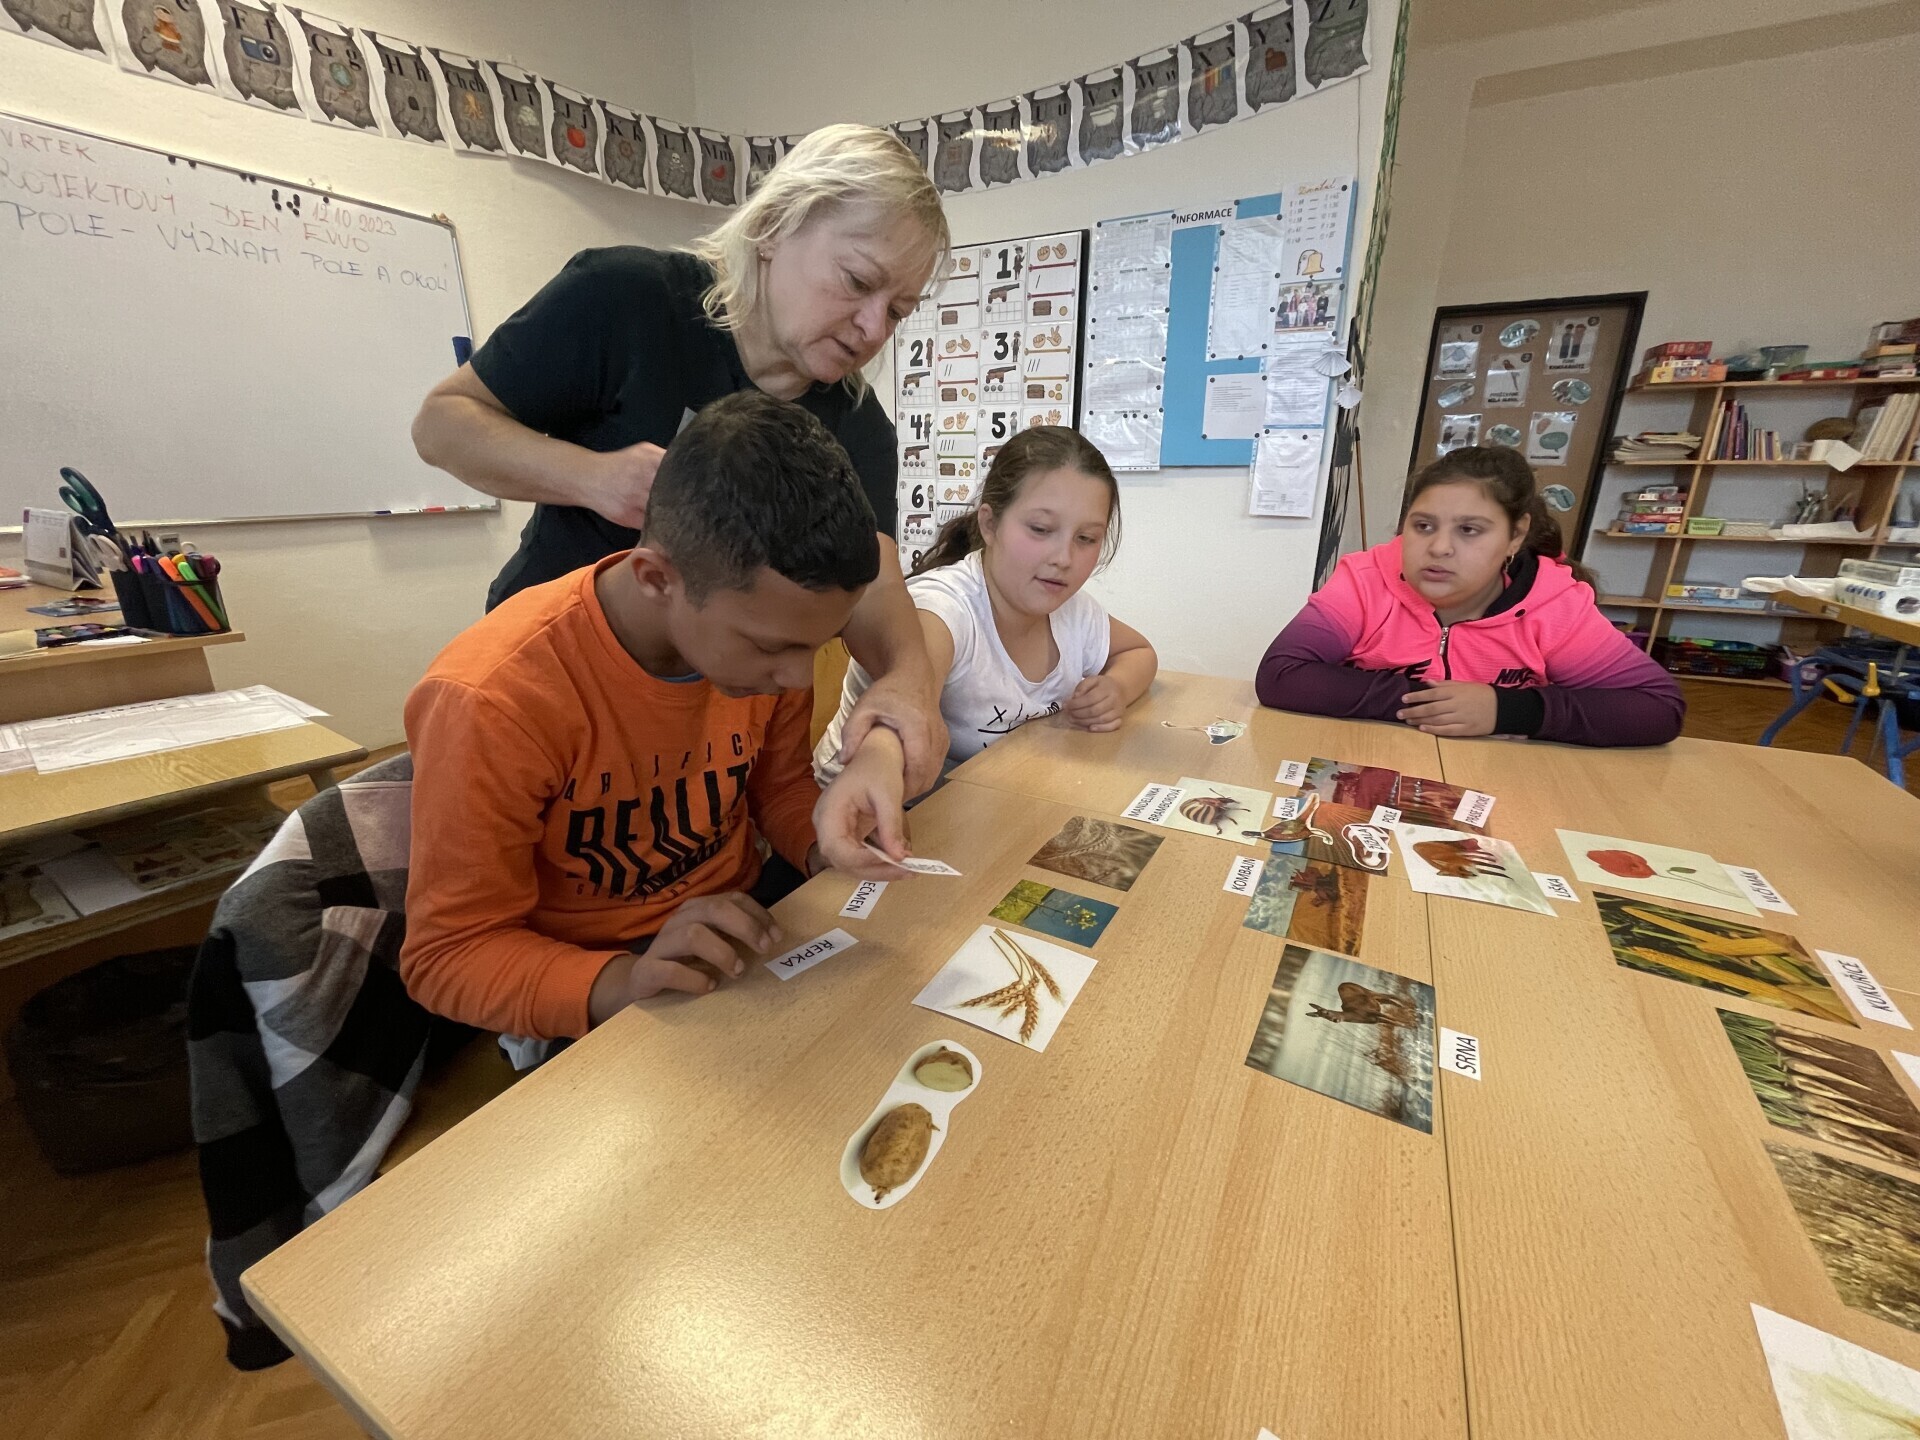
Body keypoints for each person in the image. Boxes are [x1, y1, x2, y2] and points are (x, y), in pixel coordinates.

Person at [411, 122, 952, 801]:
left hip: (704, 710)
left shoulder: (860, 427)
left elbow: (875, 581)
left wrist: (908, 679)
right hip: (554, 683)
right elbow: (442, 424)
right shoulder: (627, 300)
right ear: (774, 226)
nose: (873, 329)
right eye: (857, 281)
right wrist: (592, 478)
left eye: (897, 311)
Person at [401, 393, 910, 1040]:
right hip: (592, 986)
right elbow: (449, 956)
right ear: (655, 578)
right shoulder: (494, 699)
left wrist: (827, 846)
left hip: (746, 935)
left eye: (819, 645)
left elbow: (779, 788)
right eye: (772, 648)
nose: (799, 678)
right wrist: (627, 981)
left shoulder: (767, 639)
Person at [1256, 446, 1684, 746]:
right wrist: (1435, 703)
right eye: (1423, 526)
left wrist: (1505, 709)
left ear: (1516, 535)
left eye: (1469, 530)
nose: (1440, 548)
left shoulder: (1555, 606)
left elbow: (1658, 708)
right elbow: (1281, 675)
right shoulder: (1364, 580)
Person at [815, 427, 1158, 784]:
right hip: (861, 799)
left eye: (1086, 538)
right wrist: (880, 758)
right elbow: (909, 692)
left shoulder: (1073, 612)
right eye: (1040, 529)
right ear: (990, 524)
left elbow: (1139, 651)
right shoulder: (946, 607)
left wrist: (1116, 688)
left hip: (992, 796)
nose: (1064, 558)